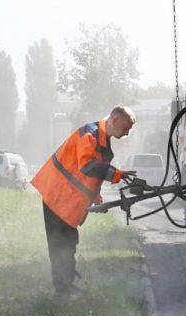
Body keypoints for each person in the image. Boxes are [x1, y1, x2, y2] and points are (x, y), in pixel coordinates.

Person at [31, 105, 136, 295]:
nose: (127, 133)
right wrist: (116, 174)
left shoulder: (101, 139)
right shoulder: (90, 135)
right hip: (57, 194)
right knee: (60, 243)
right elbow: (87, 166)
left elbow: (88, 176)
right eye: (126, 128)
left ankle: (66, 285)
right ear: (114, 121)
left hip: (66, 198)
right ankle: (63, 289)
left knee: (68, 241)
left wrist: (96, 197)